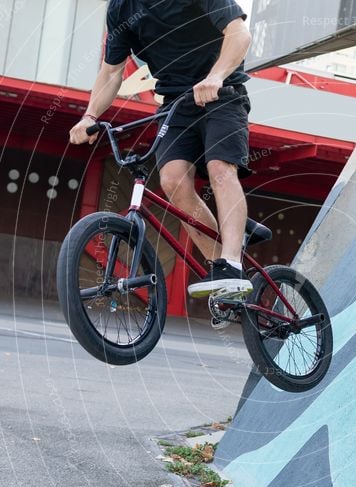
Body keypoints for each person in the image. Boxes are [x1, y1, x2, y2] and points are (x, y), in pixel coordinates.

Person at [69, 0, 253, 298]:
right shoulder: (120, 9)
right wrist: (90, 116)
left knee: (220, 169)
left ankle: (233, 262)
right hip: (175, 105)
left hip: (222, 93)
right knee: (172, 181)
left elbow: (239, 33)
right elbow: (112, 71)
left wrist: (216, 76)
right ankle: (221, 270)